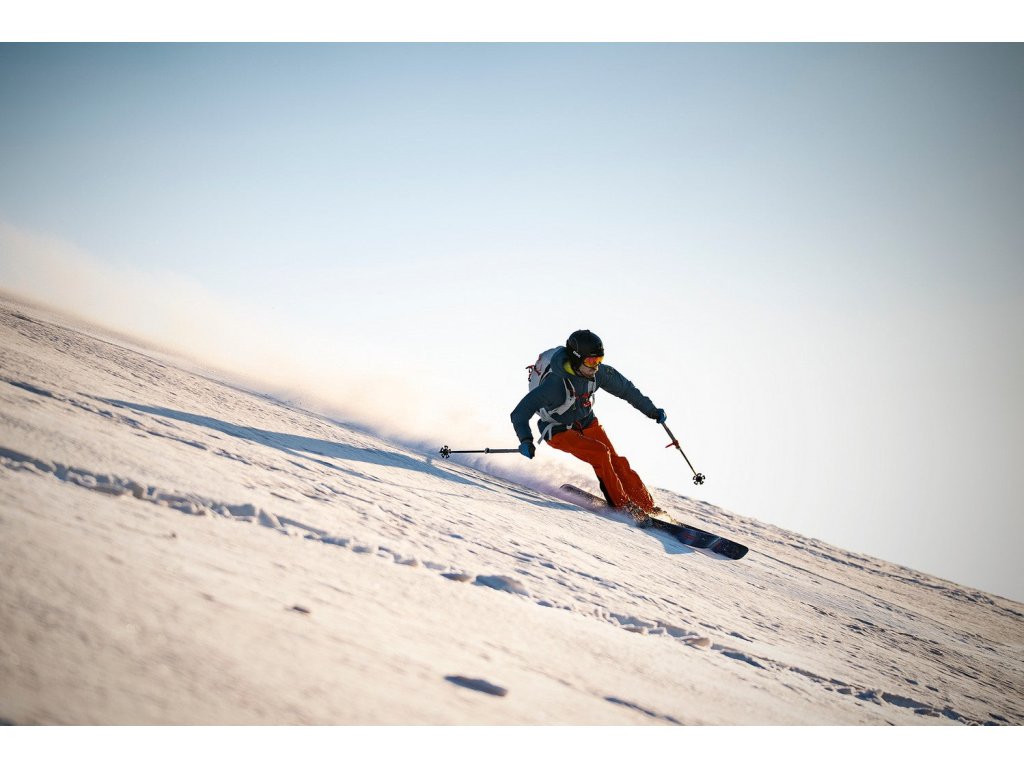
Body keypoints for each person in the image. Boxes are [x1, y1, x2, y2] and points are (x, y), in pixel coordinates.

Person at [510, 329, 667, 527]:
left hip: (586, 421)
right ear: (576, 359)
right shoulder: (554, 386)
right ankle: (623, 506)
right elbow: (519, 413)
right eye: (591, 361)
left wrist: (651, 410)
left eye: (599, 359)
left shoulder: (597, 373)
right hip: (557, 430)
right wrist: (525, 439)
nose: (596, 366)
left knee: (617, 461)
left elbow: (627, 390)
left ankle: (647, 506)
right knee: (600, 453)